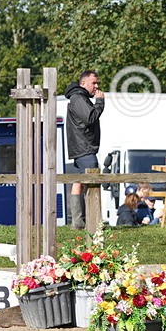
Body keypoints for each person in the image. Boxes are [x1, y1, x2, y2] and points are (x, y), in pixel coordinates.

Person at [64, 70, 105, 229]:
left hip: (82, 148)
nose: (97, 86)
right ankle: (93, 223)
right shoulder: (78, 98)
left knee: (78, 182)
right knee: (93, 183)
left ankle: (77, 222)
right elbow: (90, 117)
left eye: (97, 83)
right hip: (85, 149)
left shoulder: (80, 98)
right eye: (94, 83)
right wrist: (100, 102)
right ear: (83, 83)